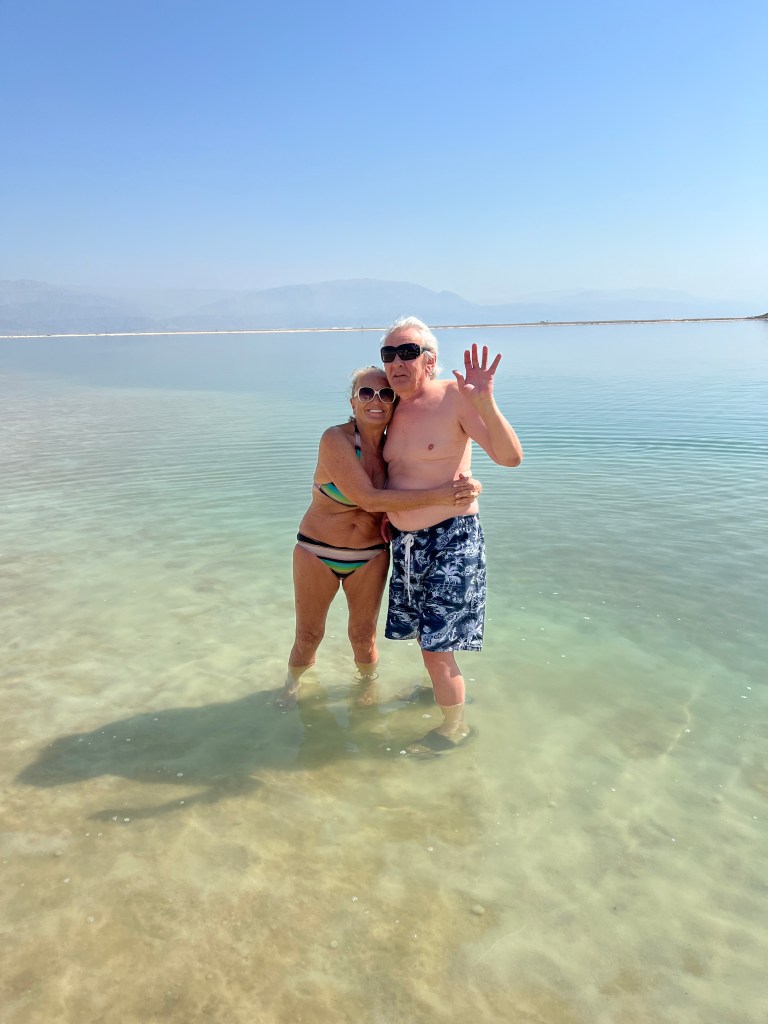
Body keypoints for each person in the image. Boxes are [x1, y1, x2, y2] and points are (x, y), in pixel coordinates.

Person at [277, 365, 481, 709]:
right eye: (366, 393)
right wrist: (444, 496)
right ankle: (292, 684)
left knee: (363, 636)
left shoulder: (393, 447)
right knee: (309, 635)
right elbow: (369, 499)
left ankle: (366, 688)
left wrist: (468, 486)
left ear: (394, 403)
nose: (377, 400)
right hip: (317, 551)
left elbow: (436, 465)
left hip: (371, 554)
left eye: (386, 394)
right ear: (352, 402)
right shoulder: (336, 439)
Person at [380, 316, 523, 752]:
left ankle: (454, 730)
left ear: (430, 360)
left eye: (408, 352)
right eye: (389, 354)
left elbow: (510, 458)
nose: (397, 362)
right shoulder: (388, 406)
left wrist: (485, 403)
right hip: (406, 546)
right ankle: (440, 692)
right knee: (426, 639)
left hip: (452, 540)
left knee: (436, 647)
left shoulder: (454, 397)